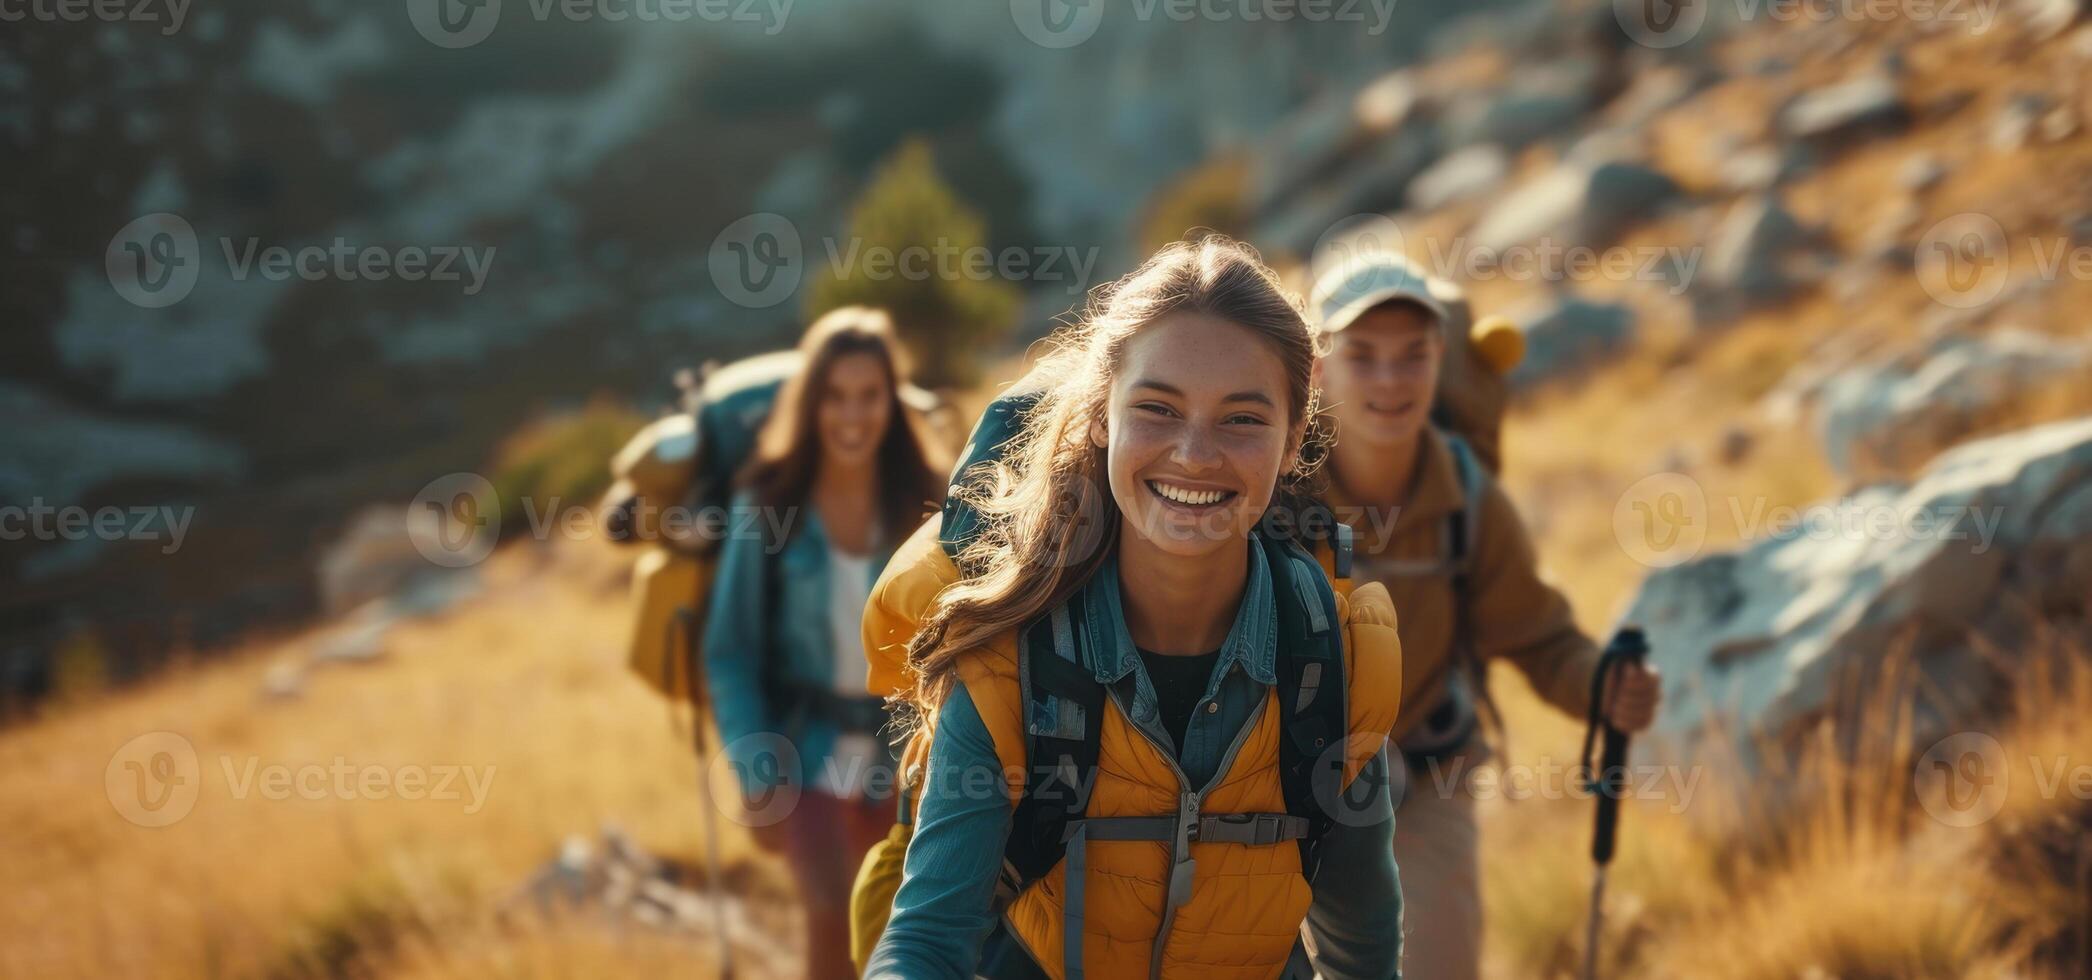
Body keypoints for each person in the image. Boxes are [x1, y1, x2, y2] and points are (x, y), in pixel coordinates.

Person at [865, 237, 1408, 979]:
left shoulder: (1337, 661)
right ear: (1101, 415)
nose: (1193, 453)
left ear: (1292, 439)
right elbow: (928, 942)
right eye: (1156, 408)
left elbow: (1364, 949)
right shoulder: (1006, 661)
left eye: (1243, 419)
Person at [1307, 254, 1662, 980]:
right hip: (1280, 789)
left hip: (1427, 777)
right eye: (1363, 356)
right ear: (1318, 371)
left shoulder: (1469, 501)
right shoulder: (1274, 494)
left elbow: (1538, 636)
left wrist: (1601, 686)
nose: (1390, 380)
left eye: (1413, 356)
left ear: (1440, 360)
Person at [700, 305, 948, 980]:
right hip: (803, 754)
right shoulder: (767, 502)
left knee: (903, 934)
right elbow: (730, 650)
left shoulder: (928, 500)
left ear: (892, 404)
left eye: (870, 396)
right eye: (835, 397)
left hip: (904, 756)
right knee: (831, 925)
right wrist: (757, 776)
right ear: (811, 404)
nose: (852, 416)